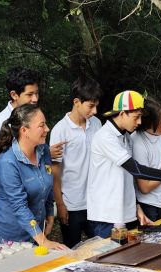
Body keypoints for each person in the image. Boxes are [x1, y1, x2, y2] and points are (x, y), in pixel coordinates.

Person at [86, 90, 161, 238]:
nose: (139, 122)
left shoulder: (126, 138)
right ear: (122, 113)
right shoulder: (105, 137)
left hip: (126, 214)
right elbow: (137, 170)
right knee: (111, 260)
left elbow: (129, 179)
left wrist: (137, 208)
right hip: (107, 217)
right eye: (136, 117)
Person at [0, 104, 67, 250]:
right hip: (7, 239)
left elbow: (48, 183)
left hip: (34, 234)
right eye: (42, 126)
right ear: (24, 130)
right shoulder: (7, 162)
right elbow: (19, 206)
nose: (47, 129)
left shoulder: (44, 151)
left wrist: (50, 214)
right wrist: (43, 240)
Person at [0, 67, 65, 201]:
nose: (35, 99)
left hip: (35, 194)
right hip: (13, 199)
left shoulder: (33, 114)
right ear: (14, 95)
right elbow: (5, 165)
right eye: (30, 94)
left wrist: (46, 152)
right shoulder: (1, 122)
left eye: (37, 93)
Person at [49, 77, 102, 248]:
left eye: (96, 106)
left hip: (95, 201)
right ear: (77, 102)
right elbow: (55, 171)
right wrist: (60, 204)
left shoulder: (97, 124)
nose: (94, 111)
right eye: (91, 106)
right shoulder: (60, 130)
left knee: (102, 248)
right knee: (72, 252)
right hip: (71, 204)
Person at [131, 97, 161, 221]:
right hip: (147, 205)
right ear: (147, 123)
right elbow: (144, 187)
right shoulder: (138, 143)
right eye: (160, 122)